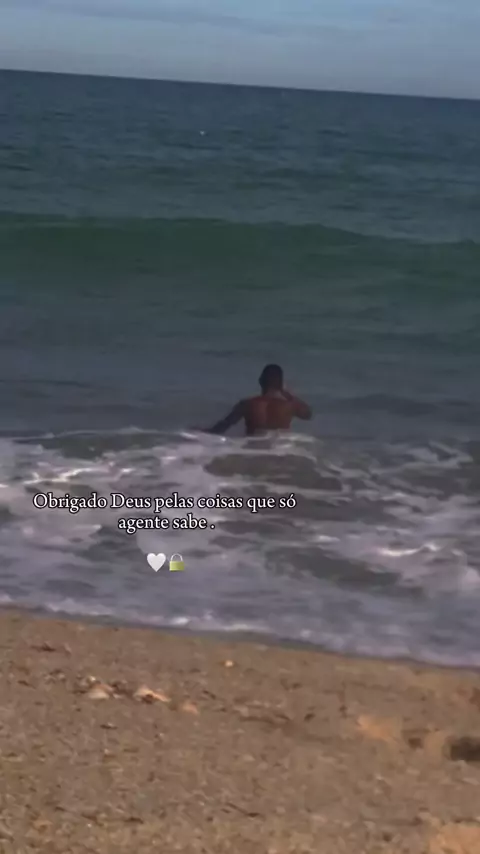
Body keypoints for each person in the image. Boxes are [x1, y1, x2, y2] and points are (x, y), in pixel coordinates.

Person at [207, 364, 312, 436]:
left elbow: (222, 427)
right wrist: (288, 395)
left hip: (253, 451)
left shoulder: (246, 404)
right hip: (280, 452)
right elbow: (308, 415)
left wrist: (201, 434)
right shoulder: (290, 406)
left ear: (261, 381)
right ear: (281, 385)